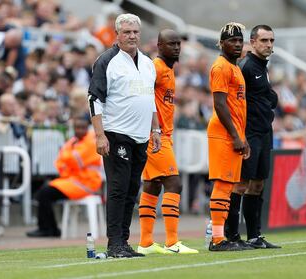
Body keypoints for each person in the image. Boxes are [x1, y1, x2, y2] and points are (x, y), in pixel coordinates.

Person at [87, 13, 161, 258]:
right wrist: (100, 135)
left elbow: (149, 100)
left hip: (141, 136)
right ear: (117, 34)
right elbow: (94, 99)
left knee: (132, 190)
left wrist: (156, 129)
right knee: (118, 189)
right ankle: (114, 244)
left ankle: (124, 241)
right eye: (127, 32)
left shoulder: (148, 63)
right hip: (117, 133)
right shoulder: (107, 61)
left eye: (135, 32)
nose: (131, 36)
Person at [137, 29, 198, 255]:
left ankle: (145, 243)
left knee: (152, 185)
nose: (176, 48)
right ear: (159, 46)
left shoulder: (169, 70)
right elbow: (140, 94)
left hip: (163, 135)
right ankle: (172, 243)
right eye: (171, 44)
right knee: (174, 183)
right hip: (155, 135)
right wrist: (152, 129)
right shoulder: (155, 68)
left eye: (178, 44)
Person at [225, 25, 281, 249]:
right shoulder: (246, 66)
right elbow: (235, 99)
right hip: (249, 133)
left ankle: (255, 236)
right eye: (264, 40)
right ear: (253, 42)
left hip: (264, 131)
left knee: (258, 184)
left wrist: (271, 99)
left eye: (271, 41)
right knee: (241, 184)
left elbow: (263, 95)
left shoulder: (262, 67)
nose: (268, 45)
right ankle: (231, 235)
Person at [207, 22, 251, 252]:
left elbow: (237, 107)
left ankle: (223, 236)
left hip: (233, 133)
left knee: (229, 185)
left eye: (239, 40)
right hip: (222, 133)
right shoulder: (221, 67)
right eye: (232, 40)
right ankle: (217, 239)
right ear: (221, 43)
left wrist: (243, 137)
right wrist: (235, 135)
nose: (237, 44)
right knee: (223, 184)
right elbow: (220, 104)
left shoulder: (235, 67)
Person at [27, 116, 102, 237]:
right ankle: (50, 229)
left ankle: (48, 229)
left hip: (87, 182)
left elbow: (73, 159)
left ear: (87, 128)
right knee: (43, 192)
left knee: (45, 193)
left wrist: (67, 159)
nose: (80, 130)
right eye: (77, 127)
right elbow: (60, 163)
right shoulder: (72, 142)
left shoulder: (91, 141)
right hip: (72, 180)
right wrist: (68, 160)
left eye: (83, 128)